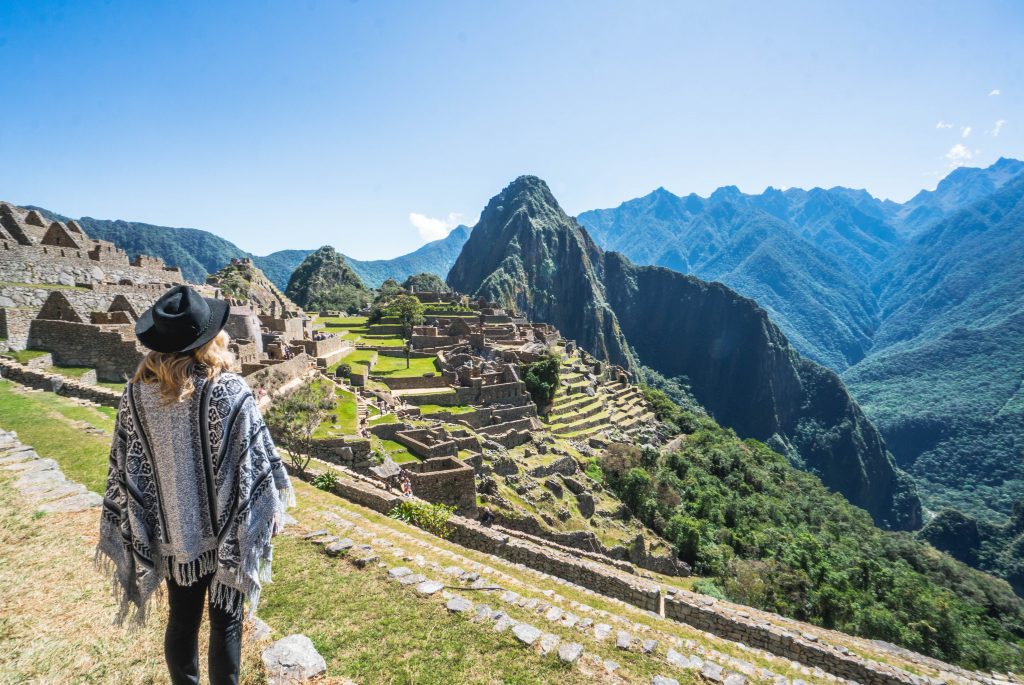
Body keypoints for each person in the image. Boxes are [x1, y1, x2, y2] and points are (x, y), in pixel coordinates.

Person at [96, 285, 294, 685]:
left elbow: (125, 467)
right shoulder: (229, 392)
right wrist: (263, 512)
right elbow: (255, 464)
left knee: (182, 620)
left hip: (172, 534)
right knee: (227, 623)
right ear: (210, 338)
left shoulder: (135, 396)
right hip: (227, 533)